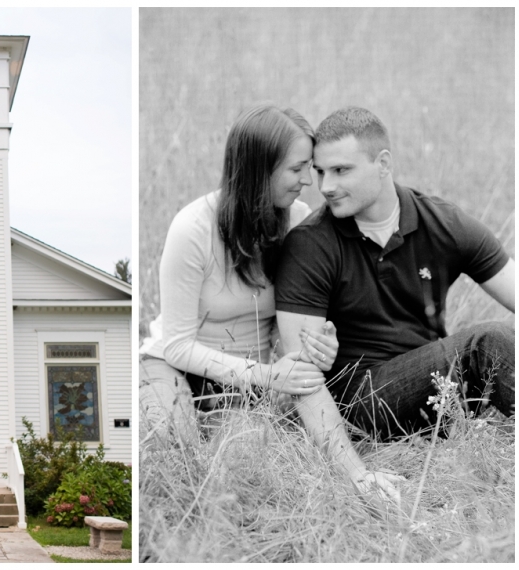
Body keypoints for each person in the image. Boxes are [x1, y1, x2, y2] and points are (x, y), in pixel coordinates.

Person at [139, 103, 399, 498]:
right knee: (171, 451)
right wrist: (266, 375)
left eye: (308, 168)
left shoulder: (299, 220)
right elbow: (176, 344)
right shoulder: (192, 228)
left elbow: (302, 322)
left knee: (244, 465)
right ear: (259, 170)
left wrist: (325, 343)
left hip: (243, 386)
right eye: (297, 170)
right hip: (173, 365)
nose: (308, 182)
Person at [275, 106, 515, 442]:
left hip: (437, 393)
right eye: (320, 172)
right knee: (487, 343)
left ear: (383, 164)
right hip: (361, 402)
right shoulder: (309, 244)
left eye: (342, 170)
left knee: (496, 345)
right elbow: (302, 375)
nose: (327, 187)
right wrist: (353, 472)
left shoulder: (442, 223)